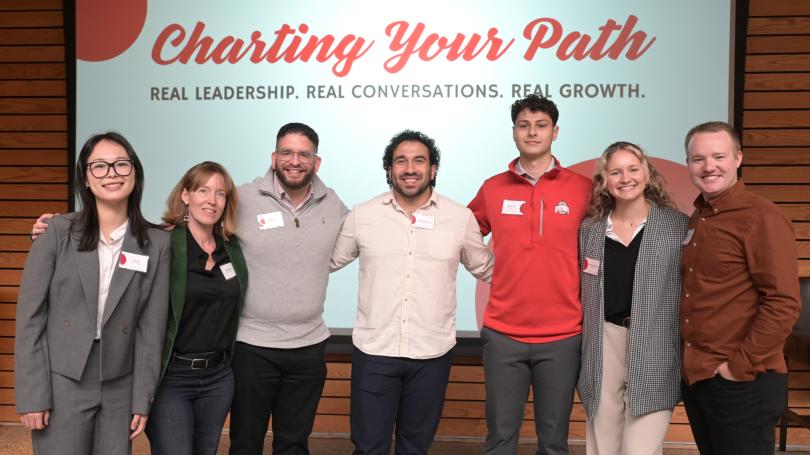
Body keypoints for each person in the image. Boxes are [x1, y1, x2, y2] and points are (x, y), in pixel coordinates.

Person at [330, 130, 495, 454]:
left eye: (419, 160)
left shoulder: (458, 218)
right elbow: (328, 262)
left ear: (433, 168)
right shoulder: (363, 215)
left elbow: (486, 269)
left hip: (431, 355)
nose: (410, 168)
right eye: (400, 161)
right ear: (389, 170)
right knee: (367, 448)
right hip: (375, 351)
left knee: (415, 448)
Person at [15, 132, 170, 454]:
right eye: (99, 166)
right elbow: (30, 318)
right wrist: (33, 395)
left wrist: (142, 400)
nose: (112, 173)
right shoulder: (56, 231)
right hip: (63, 379)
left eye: (121, 164)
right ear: (85, 178)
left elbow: (151, 329)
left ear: (135, 173)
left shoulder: (156, 244)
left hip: (120, 382)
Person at [467, 95, 591, 454]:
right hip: (504, 332)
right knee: (500, 439)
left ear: (555, 132)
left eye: (540, 125)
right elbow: (463, 233)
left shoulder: (583, 189)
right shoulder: (493, 188)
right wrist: (488, 270)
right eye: (524, 125)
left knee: (554, 442)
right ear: (514, 132)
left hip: (564, 334)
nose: (532, 132)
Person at [679, 121, 801, 454]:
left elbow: (783, 303)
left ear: (738, 158)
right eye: (698, 159)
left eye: (718, 156)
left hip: (743, 379)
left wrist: (737, 367)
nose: (708, 167)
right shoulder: (699, 217)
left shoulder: (762, 217)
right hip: (700, 377)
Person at [229, 122, 349, 455]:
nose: (294, 161)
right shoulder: (242, 198)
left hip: (308, 348)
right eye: (286, 152)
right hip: (252, 347)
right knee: (245, 442)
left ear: (316, 162)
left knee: (294, 444)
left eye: (303, 154)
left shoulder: (333, 203)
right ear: (274, 157)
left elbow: (354, 243)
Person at [577, 142, 687, 454]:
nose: (625, 178)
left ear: (648, 174)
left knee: (639, 449)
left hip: (656, 344)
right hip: (603, 343)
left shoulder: (677, 226)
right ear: (604, 181)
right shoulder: (590, 230)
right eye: (615, 172)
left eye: (633, 169)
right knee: (603, 446)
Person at [145, 162, 248, 455]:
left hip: (218, 378)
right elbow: (111, 231)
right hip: (172, 379)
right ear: (186, 195)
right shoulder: (162, 242)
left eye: (220, 194)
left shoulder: (233, 249)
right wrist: (55, 227)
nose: (211, 200)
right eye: (203, 190)